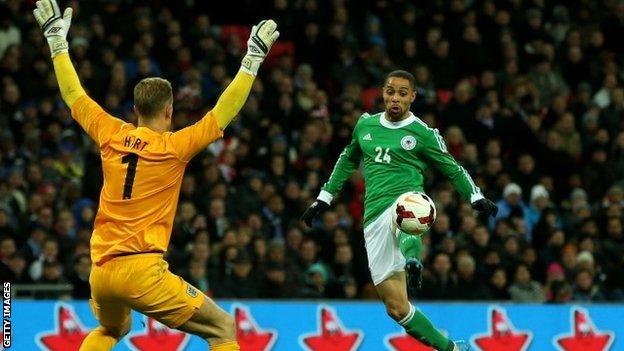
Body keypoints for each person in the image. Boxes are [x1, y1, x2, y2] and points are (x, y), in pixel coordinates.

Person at [33, 1, 279, 350]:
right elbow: (223, 111)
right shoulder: (175, 147)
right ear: (169, 110)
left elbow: (74, 95)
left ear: (135, 111)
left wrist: (57, 42)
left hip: (101, 271)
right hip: (142, 270)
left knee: (111, 330)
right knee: (223, 328)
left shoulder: (110, 133)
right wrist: (252, 58)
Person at [301, 70, 498, 351]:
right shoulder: (365, 126)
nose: (395, 98)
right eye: (390, 92)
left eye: (402, 93)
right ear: (383, 93)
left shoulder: (423, 133)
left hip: (406, 199)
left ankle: (413, 259)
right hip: (373, 218)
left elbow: (452, 168)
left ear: (413, 97)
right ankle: (453, 349)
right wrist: (323, 199)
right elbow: (347, 160)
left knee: (410, 210)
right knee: (397, 309)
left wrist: (475, 196)